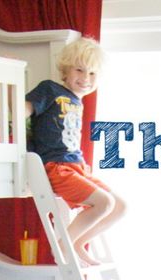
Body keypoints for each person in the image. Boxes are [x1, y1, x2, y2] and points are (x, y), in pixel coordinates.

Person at [25, 37, 125, 266]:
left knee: (120, 207)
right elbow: (25, 110)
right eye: (80, 70)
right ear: (66, 70)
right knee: (105, 203)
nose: (85, 79)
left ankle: (79, 242)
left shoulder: (77, 102)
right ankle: (63, 245)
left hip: (76, 166)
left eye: (92, 74)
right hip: (57, 167)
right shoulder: (50, 90)